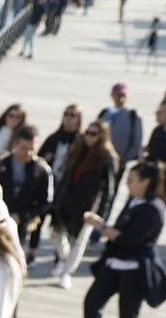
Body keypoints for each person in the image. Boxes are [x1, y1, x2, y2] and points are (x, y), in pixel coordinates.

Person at [71, 162, 166, 318]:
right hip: (114, 263)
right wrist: (106, 228)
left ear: (146, 182)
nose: (128, 184)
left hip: (134, 270)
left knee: (128, 317)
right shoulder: (133, 200)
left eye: (132, 180)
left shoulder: (153, 209)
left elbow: (128, 238)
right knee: (92, 303)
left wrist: (100, 226)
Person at [49, 117, 118, 290]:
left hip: (87, 204)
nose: (88, 136)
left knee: (77, 241)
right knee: (55, 232)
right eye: (87, 132)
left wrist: (101, 214)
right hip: (67, 197)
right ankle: (63, 259)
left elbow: (109, 189)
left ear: (102, 136)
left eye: (93, 134)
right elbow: (66, 173)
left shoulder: (106, 157)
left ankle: (67, 272)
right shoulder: (78, 149)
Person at [0, 125, 53, 264]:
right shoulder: (1, 164)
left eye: (32, 149)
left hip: (21, 223)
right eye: (23, 148)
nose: (28, 153)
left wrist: (23, 216)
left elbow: (46, 202)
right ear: (15, 144)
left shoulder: (42, 170)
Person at [38, 104, 84, 182]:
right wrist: (45, 159)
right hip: (49, 179)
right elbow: (38, 159)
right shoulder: (53, 138)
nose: (68, 118)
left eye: (73, 115)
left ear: (79, 119)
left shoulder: (82, 140)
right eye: (66, 114)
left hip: (69, 182)